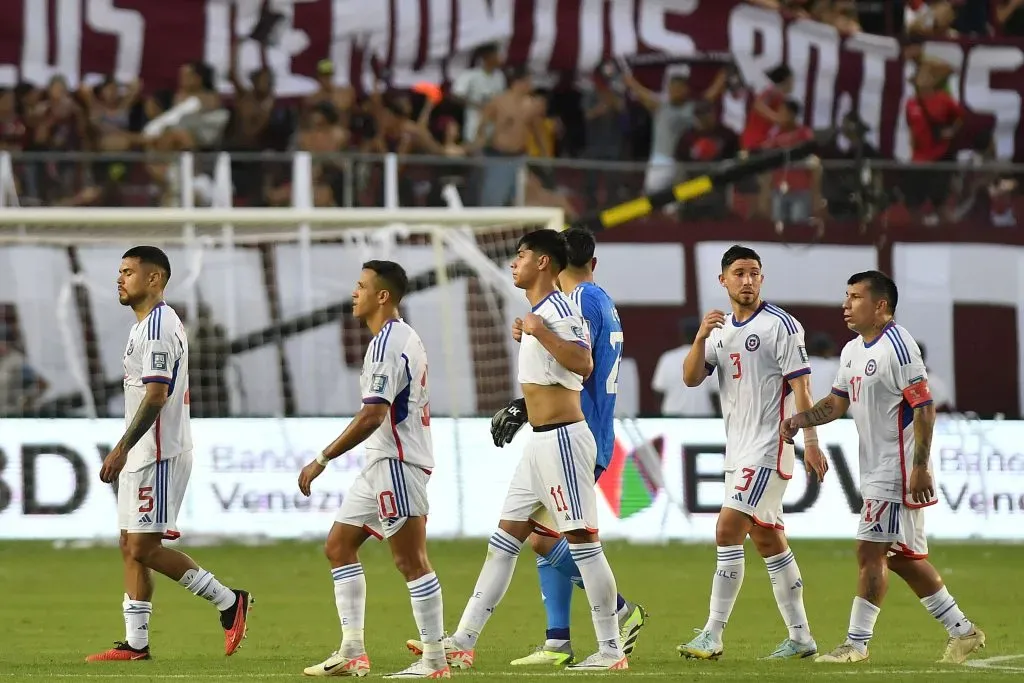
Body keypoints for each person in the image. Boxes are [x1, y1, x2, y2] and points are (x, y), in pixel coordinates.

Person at [407, 230, 627, 671]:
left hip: (564, 439)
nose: (513, 263)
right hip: (541, 443)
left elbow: (583, 363)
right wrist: (533, 332)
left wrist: (540, 332)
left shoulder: (559, 309)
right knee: (504, 540)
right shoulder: (542, 311)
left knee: (583, 542)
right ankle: (463, 641)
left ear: (543, 262)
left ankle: (610, 649)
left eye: (521, 255)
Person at [781, 270, 986, 665]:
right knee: (902, 557)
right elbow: (837, 403)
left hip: (897, 468)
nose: (846, 303)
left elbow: (924, 407)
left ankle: (856, 644)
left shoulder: (899, 345)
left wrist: (921, 466)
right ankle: (963, 632)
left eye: (855, 296)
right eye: (846, 295)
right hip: (876, 467)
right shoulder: (853, 350)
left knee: (869, 550)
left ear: (881, 306)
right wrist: (799, 421)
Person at [487, 227, 646, 666]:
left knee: (552, 538)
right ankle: (557, 640)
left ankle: (617, 615)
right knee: (542, 535)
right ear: (593, 263)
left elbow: (576, 364)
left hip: (576, 432)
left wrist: (524, 404)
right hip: (585, 429)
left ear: (551, 263)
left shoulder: (575, 304)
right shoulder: (602, 299)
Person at [87, 246, 251, 662]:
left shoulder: (158, 326)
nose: (120, 279)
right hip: (143, 451)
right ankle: (136, 643)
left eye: (128, 272)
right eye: (119, 271)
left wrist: (122, 447)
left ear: (155, 278)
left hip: (158, 451)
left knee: (143, 547)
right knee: (129, 544)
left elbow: (157, 395)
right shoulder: (143, 325)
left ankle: (229, 600)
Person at [678, 245, 828, 661]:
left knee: (727, 530)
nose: (748, 280)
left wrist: (811, 440)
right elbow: (691, 378)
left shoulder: (782, 325)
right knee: (768, 540)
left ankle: (712, 633)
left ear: (762, 279)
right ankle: (801, 638)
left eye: (755, 273)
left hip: (768, 447)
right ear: (722, 279)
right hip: (737, 451)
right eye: (739, 273)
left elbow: (802, 386)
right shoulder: (721, 329)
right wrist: (700, 337)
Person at [299, 261, 449, 679]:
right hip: (381, 463)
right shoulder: (399, 338)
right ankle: (352, 651)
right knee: (338, 546)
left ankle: (435, 660)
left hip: (398, 464)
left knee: (411, 561)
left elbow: (372, 415)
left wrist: (322, 459)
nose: (354, 293)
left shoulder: (387, 344)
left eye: (361, 286)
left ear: (382, 296)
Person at [652, 318, 719, 417]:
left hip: (672, 417)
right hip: (702, 417)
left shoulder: (668, 358)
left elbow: (658, 391)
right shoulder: (708, 356)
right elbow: (715, 394)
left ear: (682, 335)